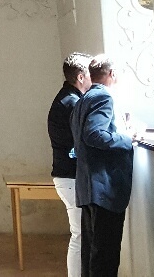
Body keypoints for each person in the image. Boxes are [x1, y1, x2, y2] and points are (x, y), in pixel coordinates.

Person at [71, 55, 137, 277]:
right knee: (105, 258)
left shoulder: (82, 99)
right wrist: (127, 138)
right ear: (112, 74)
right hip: (104, 188)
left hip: (88, 186)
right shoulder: (103, 97)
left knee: (92, 254)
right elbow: (94, 134)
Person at [48, 52, 92, 277]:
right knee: (80, 236)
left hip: (68, 176)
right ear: (81, 77)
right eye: (91, 74)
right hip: (70, 177)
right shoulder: (72, 103)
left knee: (82, 235)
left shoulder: (67, 98)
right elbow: (86, 140)